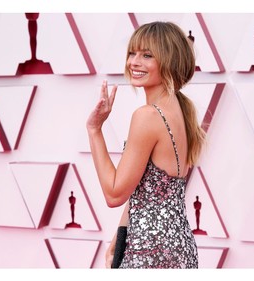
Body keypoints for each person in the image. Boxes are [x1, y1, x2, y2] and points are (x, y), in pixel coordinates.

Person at [86, 21, 205, 269]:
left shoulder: (147, 115)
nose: (134, 62)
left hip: (149, 250)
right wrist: (121, 235)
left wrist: (95, 130)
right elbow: (150, 190)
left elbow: (114, 193)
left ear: (169, 61)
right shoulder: (180, 111)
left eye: (147, 55)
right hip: (178, 245)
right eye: (132, 53)